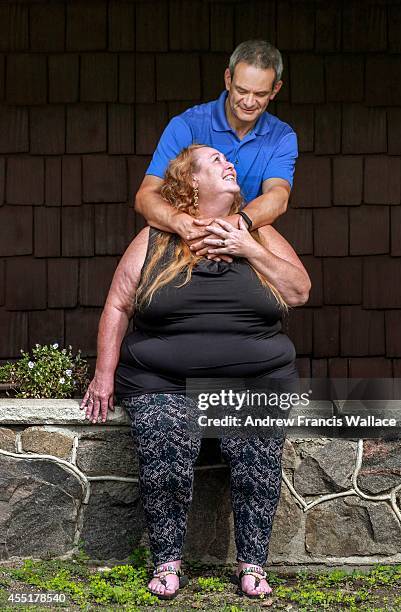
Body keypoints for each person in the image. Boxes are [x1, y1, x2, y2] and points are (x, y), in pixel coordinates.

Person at [80, 145, 310, 600]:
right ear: (191, 184)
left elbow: (299, 291)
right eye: (215, 161)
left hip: (253, 379)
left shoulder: (261, 233)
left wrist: (247, 246)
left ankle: (253, 564)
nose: (229, 164)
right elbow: (119, 304)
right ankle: (166, 562)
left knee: (255, 445)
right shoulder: (156, 238)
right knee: (165, 436)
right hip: (163, 380)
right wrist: (103, 375)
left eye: (229, 160)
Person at [134, 40, 298, 261]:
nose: (249, 102)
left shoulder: (282, 137)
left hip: (243, 242)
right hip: (182, 243)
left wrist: (235, 222)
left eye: (260, 94)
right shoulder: (186, 125)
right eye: (242, 91)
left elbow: (278, 196)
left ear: (275, 89)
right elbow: (145, 196)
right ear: (228, 80)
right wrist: (180, 222)